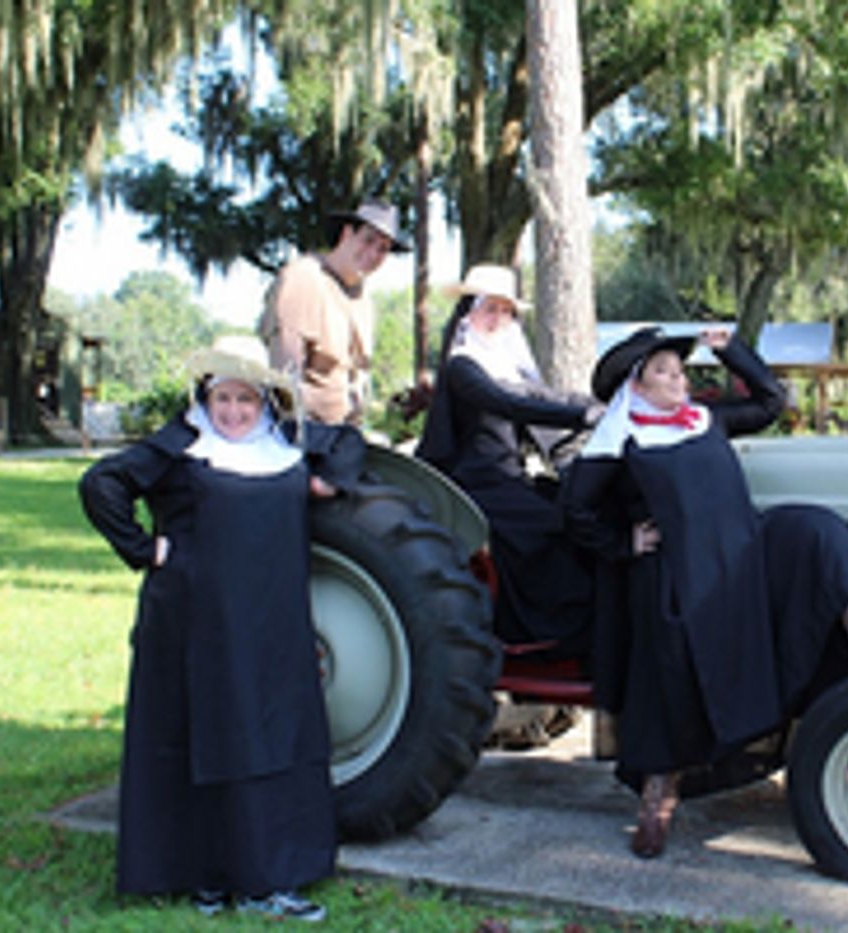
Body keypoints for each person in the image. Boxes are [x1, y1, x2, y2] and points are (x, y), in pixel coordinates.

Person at [561, 326, 848, 859]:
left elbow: (769, 402)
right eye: (663, 372)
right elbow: (576, 511)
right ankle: (658, 794)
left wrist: (730, 351)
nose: (678, 380)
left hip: (744, 551)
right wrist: (625, 542)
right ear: (634, 387)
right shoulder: (619, 438)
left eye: (680, 370)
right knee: (673, 652)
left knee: (815, 530)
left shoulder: (703, 418)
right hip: (679, 573)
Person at [79, 335, 366, 922]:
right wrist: (146, 550)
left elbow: (349, 442)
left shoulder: (285, 444)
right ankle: (214, 877)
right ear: (204, 399)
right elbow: (101, 485)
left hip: (273, 624)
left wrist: (328, 482)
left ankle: (261, 875)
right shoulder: (183, 444)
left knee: (269, 738)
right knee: (209, 740)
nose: (233, 412)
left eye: (245, 400)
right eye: (222, 399)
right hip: (195, 623)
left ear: (266, 402)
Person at [416, 264, 603, 652]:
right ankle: (540, 632)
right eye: (489, 309)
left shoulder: (507, 365)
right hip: (474, 483)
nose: (497, 319)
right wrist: (581, 416)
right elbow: (505, 403)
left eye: (505, 311)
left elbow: (541, 398)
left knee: (575, 510)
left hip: (508, 479)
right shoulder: (462, 366)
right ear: (469, 311)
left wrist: (601, 407)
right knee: (547, 525)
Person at [259, 199, 411, 426]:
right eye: (368, 240)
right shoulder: (303, 279)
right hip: (301, 435)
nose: (373, 253)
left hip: (345, 436)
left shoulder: (363, 298)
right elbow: (284, 378)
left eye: (383, 248)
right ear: (347, 234)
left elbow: (359, 377)